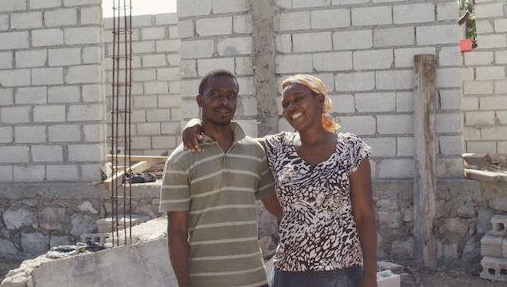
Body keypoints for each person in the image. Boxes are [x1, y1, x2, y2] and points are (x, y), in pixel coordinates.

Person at [182, 74, 377, 287]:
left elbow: (364, 215)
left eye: (298, 99)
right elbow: (230, 139)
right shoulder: (279, 146)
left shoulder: (351, 148)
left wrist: (370, 275)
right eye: (285, 104)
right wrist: (196, 122)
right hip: (289, 273)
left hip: (342, 272)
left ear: (319, 101)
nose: (291, 107)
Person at [160, 68, 282, 287]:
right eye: (215, 94)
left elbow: (277, 207)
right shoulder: (180, 160)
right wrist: (184, 283)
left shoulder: (254, 152)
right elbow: (176, 231)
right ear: (200, 100)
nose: (224, 101)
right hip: (205, 281)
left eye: (231, 96)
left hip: (254, 279)